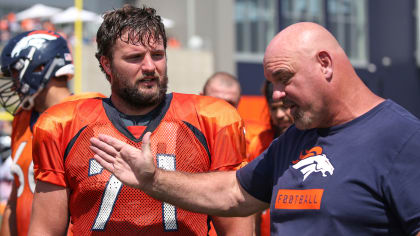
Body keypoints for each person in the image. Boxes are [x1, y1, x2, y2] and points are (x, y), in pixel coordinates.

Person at [90, 22, 420, 236]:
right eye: (272, 83)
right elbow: (235, 192)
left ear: (325, 64)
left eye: (285, 79)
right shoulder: (298, 137)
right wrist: (153, 180)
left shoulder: (402, 139)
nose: (276, 95)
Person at [29, 5, 252, 235]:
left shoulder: (211, 120)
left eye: (157, 55)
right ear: (107, 64)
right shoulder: (63, 125)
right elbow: (45, 230)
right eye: (135, 57)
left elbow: (237, 228)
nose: (149, 67)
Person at [0, 30, 104, 236]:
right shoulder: (22, 118)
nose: (13, 84)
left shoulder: (88, 114)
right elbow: (15, 197)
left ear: (39, 68)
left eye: (15, 73)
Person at [247, 80, 293, 236]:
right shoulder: (260, 144)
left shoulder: (314, 140)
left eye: (284, 107)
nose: (280, 115)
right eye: (274, 109)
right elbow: (251, 203)